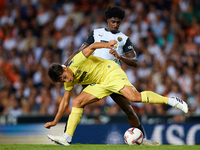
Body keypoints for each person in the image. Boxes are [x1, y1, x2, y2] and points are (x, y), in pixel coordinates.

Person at [44, 40, 188, 146]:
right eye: (62, 81)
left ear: (64, 68)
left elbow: (92, 46)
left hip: (110, 72)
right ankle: (66, 138)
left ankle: (173, 101)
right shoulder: (68, 80)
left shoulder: (76, 61)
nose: (66, 80)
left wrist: (107, 45)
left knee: (134, 97)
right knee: (77, 102)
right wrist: (55, 121)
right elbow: (65, 101)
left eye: (64, 77)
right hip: (99, 83)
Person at [54, 5, 157, 145]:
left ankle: (143, 140)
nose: (115, 24)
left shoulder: (124, 39)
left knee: (128, 109)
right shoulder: (96, 33)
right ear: (107, 20)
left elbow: (134, 62)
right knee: (78, 103)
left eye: (118, 22)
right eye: (113, 21)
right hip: (93, 76)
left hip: (113, 77)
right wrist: (65, 66)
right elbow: (80, 51)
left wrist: (120, 56)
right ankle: (66, 137)